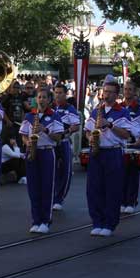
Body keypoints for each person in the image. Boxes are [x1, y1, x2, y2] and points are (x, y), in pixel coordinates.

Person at [84, 81, 133, 236]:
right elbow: (87, 131)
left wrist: (109, 125)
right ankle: (97, 221)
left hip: (113, 152)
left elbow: (126, 134)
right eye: (105, 91)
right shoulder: (96, 111)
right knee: (94, 188)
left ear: (116, 95)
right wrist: (90, 137)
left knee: (112, 189)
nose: (107, 94)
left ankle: (109, 224)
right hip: (97, 151)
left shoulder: (122, 112)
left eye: (111, 92)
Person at [19, 87, 65, 234]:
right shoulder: (29, 116)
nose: (41, 100)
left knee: (46, 187)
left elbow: (58, 138)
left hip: (47, 152)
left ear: (49, 100)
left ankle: (45, 220)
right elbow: (24, 135)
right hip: (32, 152)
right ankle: (36, 220)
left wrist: (45, 130)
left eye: (44, 97)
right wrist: (28, 143)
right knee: (33, 188)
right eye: (39, 97)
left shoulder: (55, 116)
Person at [121, 81, 140, 214]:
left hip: (135, 145)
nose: (127, 91)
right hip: (121, 144)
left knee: (135, 175)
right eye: (126, 89)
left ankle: (132, 202)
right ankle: (122, 201)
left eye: (130, 90)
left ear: (134, 92)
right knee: (121, 175)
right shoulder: (119, 107)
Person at [50, 83, 80, 212]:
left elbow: (76, 126)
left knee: (65, 171)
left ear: (65, 94)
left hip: (63, 142)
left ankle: (59, 198)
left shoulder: (70, 109)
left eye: (60, 93)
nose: (57, 95)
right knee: (51, 171)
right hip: (51, 143)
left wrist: (66, 132)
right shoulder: (51, 108)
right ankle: (51, 196)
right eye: (56, 92)